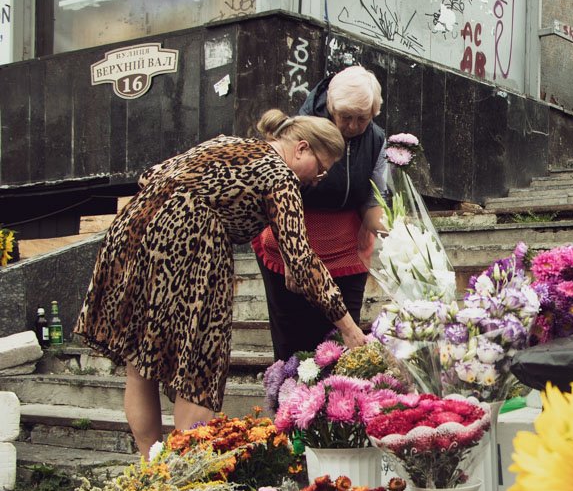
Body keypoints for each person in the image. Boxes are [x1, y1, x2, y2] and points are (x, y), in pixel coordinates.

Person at [74, 111, 369, 458]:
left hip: (134, 235)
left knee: (140, 363)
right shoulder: (280, 175)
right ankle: (184, 475)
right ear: (301, 148)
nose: (318, 180)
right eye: (320, 169)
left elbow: (149, 175)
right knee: (199, 371)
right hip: (190, 248)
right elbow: (303, 260)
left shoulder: (227, 143)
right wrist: (348, 328)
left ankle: (149, 471)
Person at [252, 65, 390, 360]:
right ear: (330, 107)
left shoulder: (376, 139)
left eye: (361, 119)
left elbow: (374, 195)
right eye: (345, 118)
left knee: (341, 345)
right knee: (295, 347)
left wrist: (395, 232)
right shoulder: (303, 132)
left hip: (347, 249)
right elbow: (279, 194)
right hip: (294, 238)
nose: (352, 126)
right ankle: (292, 403)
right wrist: (293, 254)